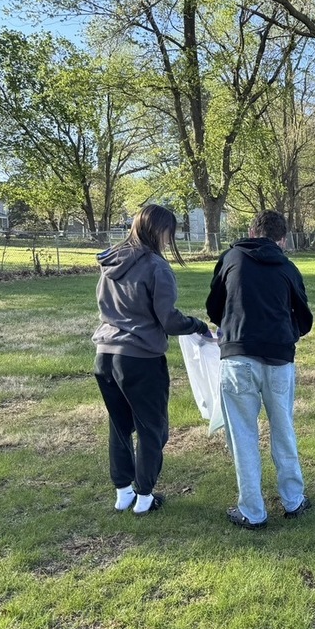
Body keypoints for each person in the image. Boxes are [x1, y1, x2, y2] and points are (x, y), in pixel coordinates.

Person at [93, 204, 211, 516]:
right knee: (152, 429)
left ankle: (123, 492)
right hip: (140, 358)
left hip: (104, 354)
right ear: (160, 231)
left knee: (119, 426)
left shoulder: (111, 261)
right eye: (169, 233)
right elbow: (169, 320)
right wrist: (197, 325)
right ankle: (144, 497)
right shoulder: (157, 267)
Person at [205, 210, 313, 530]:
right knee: (283, 429)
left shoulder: (231, 259)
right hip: (279, 359)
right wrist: (286, 334)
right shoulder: (288, 269)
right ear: (282, 239)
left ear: (252, 231)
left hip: (238, 357)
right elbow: (304, 318)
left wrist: (232, 329)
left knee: (243, 435)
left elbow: (215, 306)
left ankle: (253, 510)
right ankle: (293, 499)